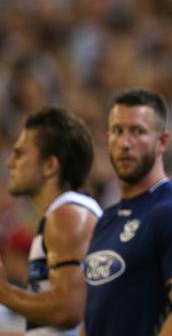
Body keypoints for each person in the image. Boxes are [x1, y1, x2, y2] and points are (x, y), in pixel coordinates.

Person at [83, 89, 172, 335]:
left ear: (162, 141)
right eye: (117, 131)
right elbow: (93, 317)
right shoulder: (106, 221)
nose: (125, 143)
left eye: (138, 131)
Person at [0, 106, 102, 335]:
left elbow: (68, 310)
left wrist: (4, 293)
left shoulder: (68, 215)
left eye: (19, 153)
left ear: (49, 166)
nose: (9, 162)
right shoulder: (64, 214)